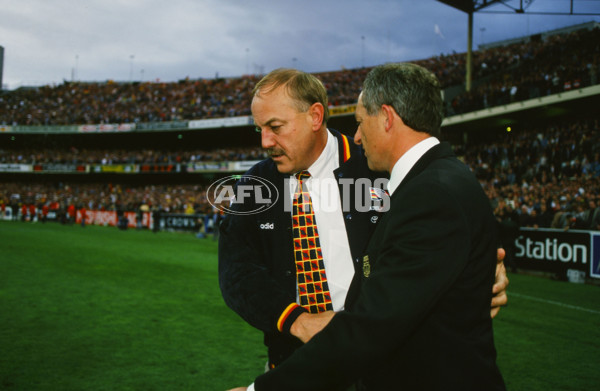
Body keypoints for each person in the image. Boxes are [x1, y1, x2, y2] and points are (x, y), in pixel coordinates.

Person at [219, 67, 509, 384]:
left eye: (275, 127)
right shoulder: (256, 184)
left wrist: (481, 270)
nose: (265, 141)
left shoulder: (377, 167)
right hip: (294, 365)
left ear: (315, 117)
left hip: (379, 365)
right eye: (259, 129)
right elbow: (237, 272)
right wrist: (298, 321)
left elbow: (429, 238)